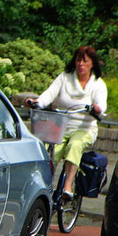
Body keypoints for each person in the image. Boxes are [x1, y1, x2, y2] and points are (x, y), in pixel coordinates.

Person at [26, 46, 108, 199]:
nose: (81, 64)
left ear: (92, 64)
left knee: (75, 145)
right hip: (61, 127)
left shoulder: (98, 84)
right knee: (49, 154)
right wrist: (37, 102)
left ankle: (68, 186)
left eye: (85, 61)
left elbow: (101, 104)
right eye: (78, 60)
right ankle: (43, 190)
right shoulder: (65, 77)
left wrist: (97, 108)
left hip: (84, 128)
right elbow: (49, 94)